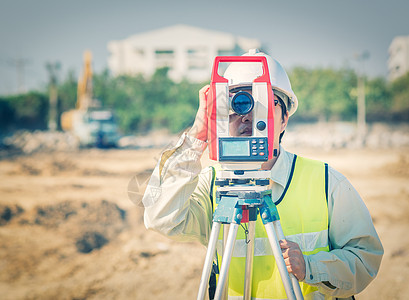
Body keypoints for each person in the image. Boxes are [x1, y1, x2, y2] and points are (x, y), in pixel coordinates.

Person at [142, 49, 383, 299]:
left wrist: (312, 267)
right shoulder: (213, 183)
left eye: (261, 103)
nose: (246, 115)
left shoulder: (324, 181)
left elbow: (366, 258)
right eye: (234, 104)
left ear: (284, 118)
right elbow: (159, 216)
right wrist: (197, 134)